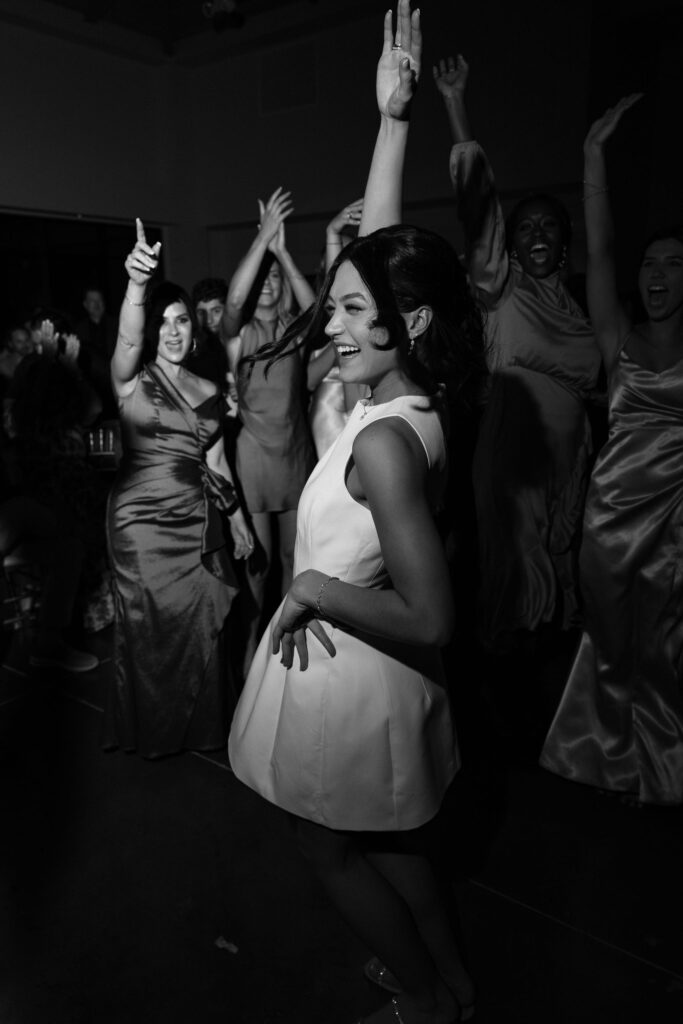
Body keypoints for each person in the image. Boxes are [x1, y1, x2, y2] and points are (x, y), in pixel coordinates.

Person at [229, 5, 487, 1021]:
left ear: (405, 323)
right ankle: (449, 974)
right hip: (367, 679)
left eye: (345, 312)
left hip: (352, 669)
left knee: (326, 850)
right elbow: (379, 259)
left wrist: (306, 584)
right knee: (390, 842)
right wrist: (390, 123)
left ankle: (424, 995)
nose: (328, 324)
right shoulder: (407, 399)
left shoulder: (380, 437)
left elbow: (431, 619)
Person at [540, 95, 683, 807]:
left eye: (673, 263)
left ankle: (659, 766)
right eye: (650, 262)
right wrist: (592, 154)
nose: (656, 272)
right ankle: (598, 753)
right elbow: (597, 251)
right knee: (607, 640)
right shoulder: (614, 334)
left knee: (664, 646)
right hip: (608, 520)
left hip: (676, 522)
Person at [436, 54, 600, 651]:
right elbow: (483, 221)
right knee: (517, 595)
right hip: (513, 461)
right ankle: (509, 711)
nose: (532, 236)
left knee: (565, 590)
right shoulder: (501, 289)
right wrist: (458, 108)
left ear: (564, 244)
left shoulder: (585, 313)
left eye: (546, 228)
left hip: (571, 464)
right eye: (524, 227)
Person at [104, 220, 253, 759]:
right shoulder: (129, 378)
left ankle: (202, 727)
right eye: (162, 323)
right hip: (139, 523)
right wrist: (136, 286)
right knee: (148, 627)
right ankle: (151, 730)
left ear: (194, 328)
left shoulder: (211, 389)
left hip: (195, 518)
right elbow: (124, 336)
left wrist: (238, 521)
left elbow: (216, 460)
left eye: (182, 320)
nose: (173, 331)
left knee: (204, 612)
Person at [221, 189, 334, 676]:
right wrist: (262, 239)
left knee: (294, 560)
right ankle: (249, 656)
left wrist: (283, 253)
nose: (267, 282)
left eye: (273, 277)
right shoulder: (238, 335)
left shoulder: (294, 329)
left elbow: (323, 313)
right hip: (253, 460)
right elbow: (234, 299)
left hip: (295, 457)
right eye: (262, 274)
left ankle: (287, 651)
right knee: (257, 567)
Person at [308, 198, 366, 458]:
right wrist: (332, 232)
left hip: (362, 402)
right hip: (329, 411)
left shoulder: (366, 301)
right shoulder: (322, 310)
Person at [189, 276, 230, 387]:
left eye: (216, 311)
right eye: (202, 313)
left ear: (228, 309)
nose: (209, 320)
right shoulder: (193, 353)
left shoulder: (246, 340)